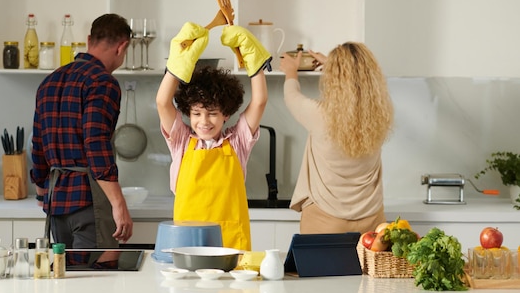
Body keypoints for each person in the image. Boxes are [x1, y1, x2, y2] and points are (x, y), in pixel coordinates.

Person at [156, 22, 271, 251]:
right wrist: (177, 64)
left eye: (212, 114)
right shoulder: (181, 141)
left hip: (229, 242)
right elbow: (162, 101)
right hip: (187, 240)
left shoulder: (237, 142)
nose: (204, 121)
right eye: (196, 113)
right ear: (188, 113)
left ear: (226, 114)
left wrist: (255, 62)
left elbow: (259, 101)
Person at [30, 13, 134, 249]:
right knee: (98, 279)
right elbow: (95, 143)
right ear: (122, 47)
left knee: (66, 279)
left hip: (56, 202)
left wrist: (41, 191)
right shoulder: (103, 82)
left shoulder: (49, 81)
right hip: (89, 203)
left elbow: (37, 144)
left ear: (89, 40)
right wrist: (119, 205)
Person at [279, 42, 394, 235]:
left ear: (333, 79)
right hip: (372, 222)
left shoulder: (319, 115)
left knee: (317, 267)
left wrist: (291, 71)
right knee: (368, 267)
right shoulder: (381, 116)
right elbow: (359, 82)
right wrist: (335, 65)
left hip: (324, 220)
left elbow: (291, 95)